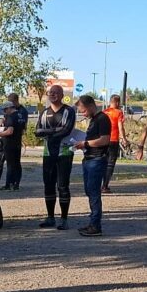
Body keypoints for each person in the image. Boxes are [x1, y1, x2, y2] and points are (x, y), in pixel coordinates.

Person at [35, 85, 77, 230]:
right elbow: (37, 132)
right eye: (50, 92)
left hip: (64, 153)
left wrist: (47, 133)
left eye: (56, 92)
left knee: (62, 186)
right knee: (48, 185)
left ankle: (64, 219)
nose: (52, 94)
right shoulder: (44, 112)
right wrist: (54, 130)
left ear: (61, 95)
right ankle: (50, 217)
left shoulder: (69, 111)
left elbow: (67, 130)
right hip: (48, 153)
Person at [73, 95, 111, 236]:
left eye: (83, 111)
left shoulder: (102, 119)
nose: (83, 114)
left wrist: (86, 143)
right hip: (89, 158)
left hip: (97, 159)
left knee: (94, 192)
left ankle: (95, 226)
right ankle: (92, 223)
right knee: (89, 191)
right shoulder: (94, 120)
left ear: (90, 106)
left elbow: (105, 140)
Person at [101, 94, 128, 194]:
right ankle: (105, 186)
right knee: (110, 164)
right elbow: (120, 127)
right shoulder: (118, 112)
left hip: (103, 140)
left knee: (103, 162)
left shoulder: (104, 112)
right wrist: (124, 138)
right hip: (113, 140)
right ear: (117, 102)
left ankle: (99, 184)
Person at [0, 101, 22, 190]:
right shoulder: (20, 116)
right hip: (17, 143)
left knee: (10, 165)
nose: (4, 112)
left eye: (5, 110)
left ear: (9, 108)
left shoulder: (11, 117)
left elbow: (10, 131)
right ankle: (16, 185)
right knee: (16, 164)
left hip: (9, 144)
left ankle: (8, 185)